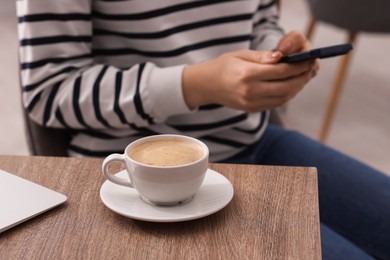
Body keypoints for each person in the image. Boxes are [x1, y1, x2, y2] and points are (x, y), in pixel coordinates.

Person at [16, 0, 389, 259]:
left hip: (255, 141)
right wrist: (194, 85)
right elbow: (49, 92)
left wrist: (274, 52)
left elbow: (259, 19)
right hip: (135, 180)